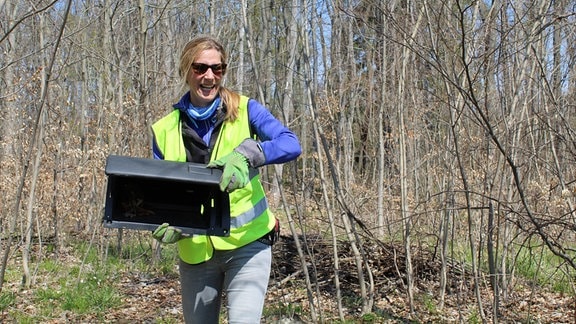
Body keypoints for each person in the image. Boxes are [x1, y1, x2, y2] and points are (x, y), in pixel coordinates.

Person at [150, 35, 301, 324]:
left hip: (248, 244)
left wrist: (249, 153)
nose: (209, 76)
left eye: (217, 69)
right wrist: (167, 223)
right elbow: (162, 194)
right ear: (186, 70)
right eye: (200, 68)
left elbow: (290, 143)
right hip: (195, 253)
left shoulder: (246, 109)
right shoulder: (164, 130)